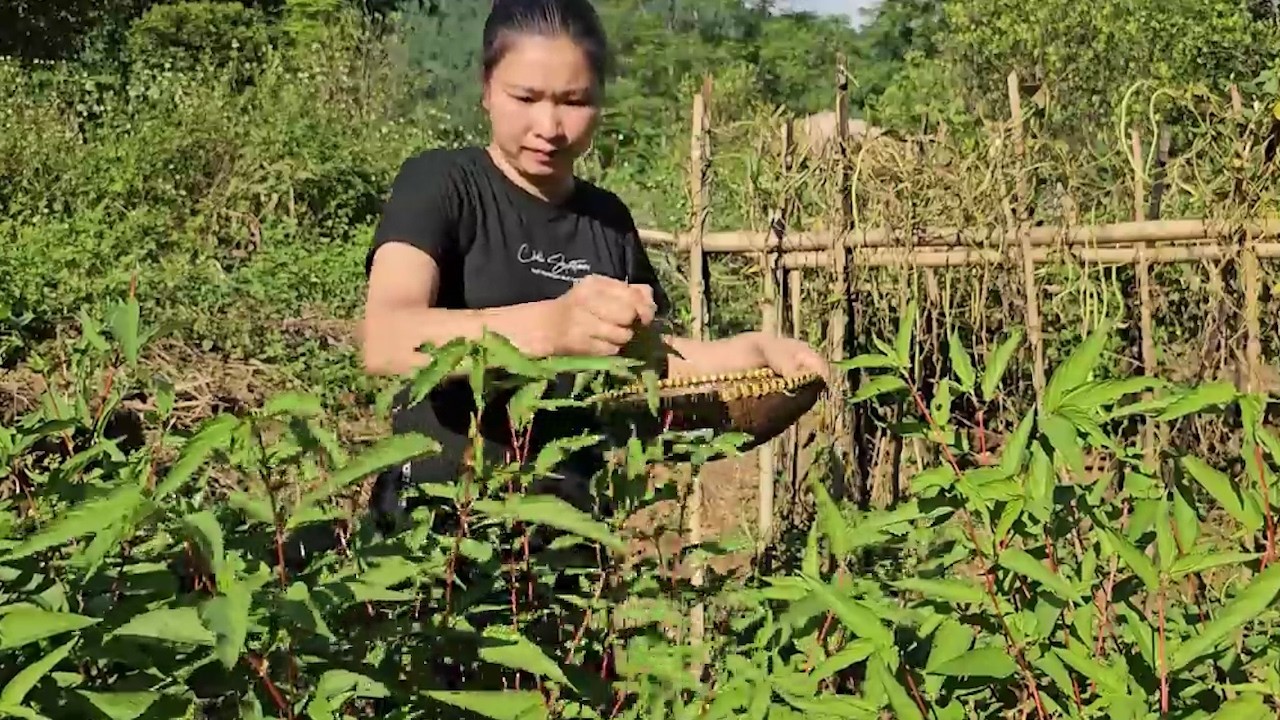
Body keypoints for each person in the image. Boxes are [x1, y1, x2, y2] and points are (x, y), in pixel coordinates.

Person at [359, 0, 828, 533]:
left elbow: (648, 363)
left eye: (575, 101)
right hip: (434, 542)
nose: (550, 126)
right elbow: (388, 337)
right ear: (487, 88)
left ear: (601, 102)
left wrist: (754, 352)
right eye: (525, 97)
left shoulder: (607, 220)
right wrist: (554, 328)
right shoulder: (442, 184)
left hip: (568, 550)